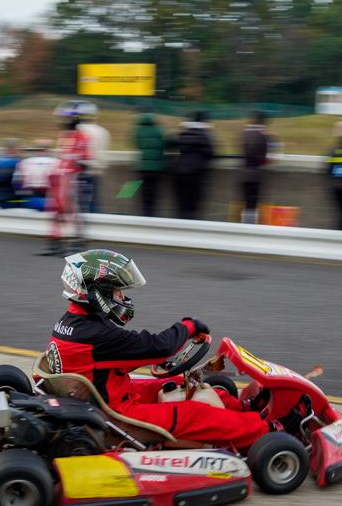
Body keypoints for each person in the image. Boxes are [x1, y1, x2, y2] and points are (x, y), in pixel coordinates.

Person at [46, 249, 269, 450]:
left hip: (106, 398)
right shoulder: (95, 335)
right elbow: (160, 347)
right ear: (98, 292)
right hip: (117, 419)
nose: (122, 297)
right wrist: (189, 326)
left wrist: (152, 358)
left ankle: (245, 408)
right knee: (195, 413)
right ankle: (265, 432)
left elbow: (109, 360)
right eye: (117, 291)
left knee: (182, 384)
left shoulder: (73, 321)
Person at [44, 102, 91, 256]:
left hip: (73, 178)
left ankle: (77, 241)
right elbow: (62, 157)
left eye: (66, 119)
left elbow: (85, 158)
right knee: (57, 209)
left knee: (72, 209)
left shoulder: (82, 136)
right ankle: (56, 242)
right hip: (61, 177)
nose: (63, 122)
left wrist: (75, 169)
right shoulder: (66, 136)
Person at [170, 111, 215, 220]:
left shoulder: (184, 133)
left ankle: (181, 223)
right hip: (195, 173)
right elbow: (210, 154)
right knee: (193, 205)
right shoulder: (205, 135)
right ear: (204, 122)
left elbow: (171, 142)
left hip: (179, 171)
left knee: (181, 204)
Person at [76, 102, 109, 214]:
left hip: (79, 170)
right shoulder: (103, 131)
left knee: (78, 202)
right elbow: (102, 154)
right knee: (94, 201)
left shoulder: (77, 130)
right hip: (95, 170)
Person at [239, 111, 271, 224]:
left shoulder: (245, 133)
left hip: (244, 173)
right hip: (256, 174)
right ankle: (249, 226)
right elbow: (265, 158)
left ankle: (245, 224)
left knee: (246, 203)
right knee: (253, 204)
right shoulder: (264, 136)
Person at [133, 112, 166, 217]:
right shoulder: (159, 129)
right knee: (154, 193)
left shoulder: (139, 130)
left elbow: (137, 145)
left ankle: (145, 215)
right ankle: (152, 216)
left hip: (143, 167)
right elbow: (165, 143)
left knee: (144, 194)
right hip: (157, 168)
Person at [13, 139, 55, 211]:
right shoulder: (57, 162)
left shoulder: (23, 162)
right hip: (51, 201)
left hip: (29, 200)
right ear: (48, 150)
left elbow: (16, 186)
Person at [0, 138, 22, 209]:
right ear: (13, 150)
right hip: (12, 201)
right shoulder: (17, 163)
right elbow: (18, 187)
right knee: (30, 201)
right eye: (19, 149)